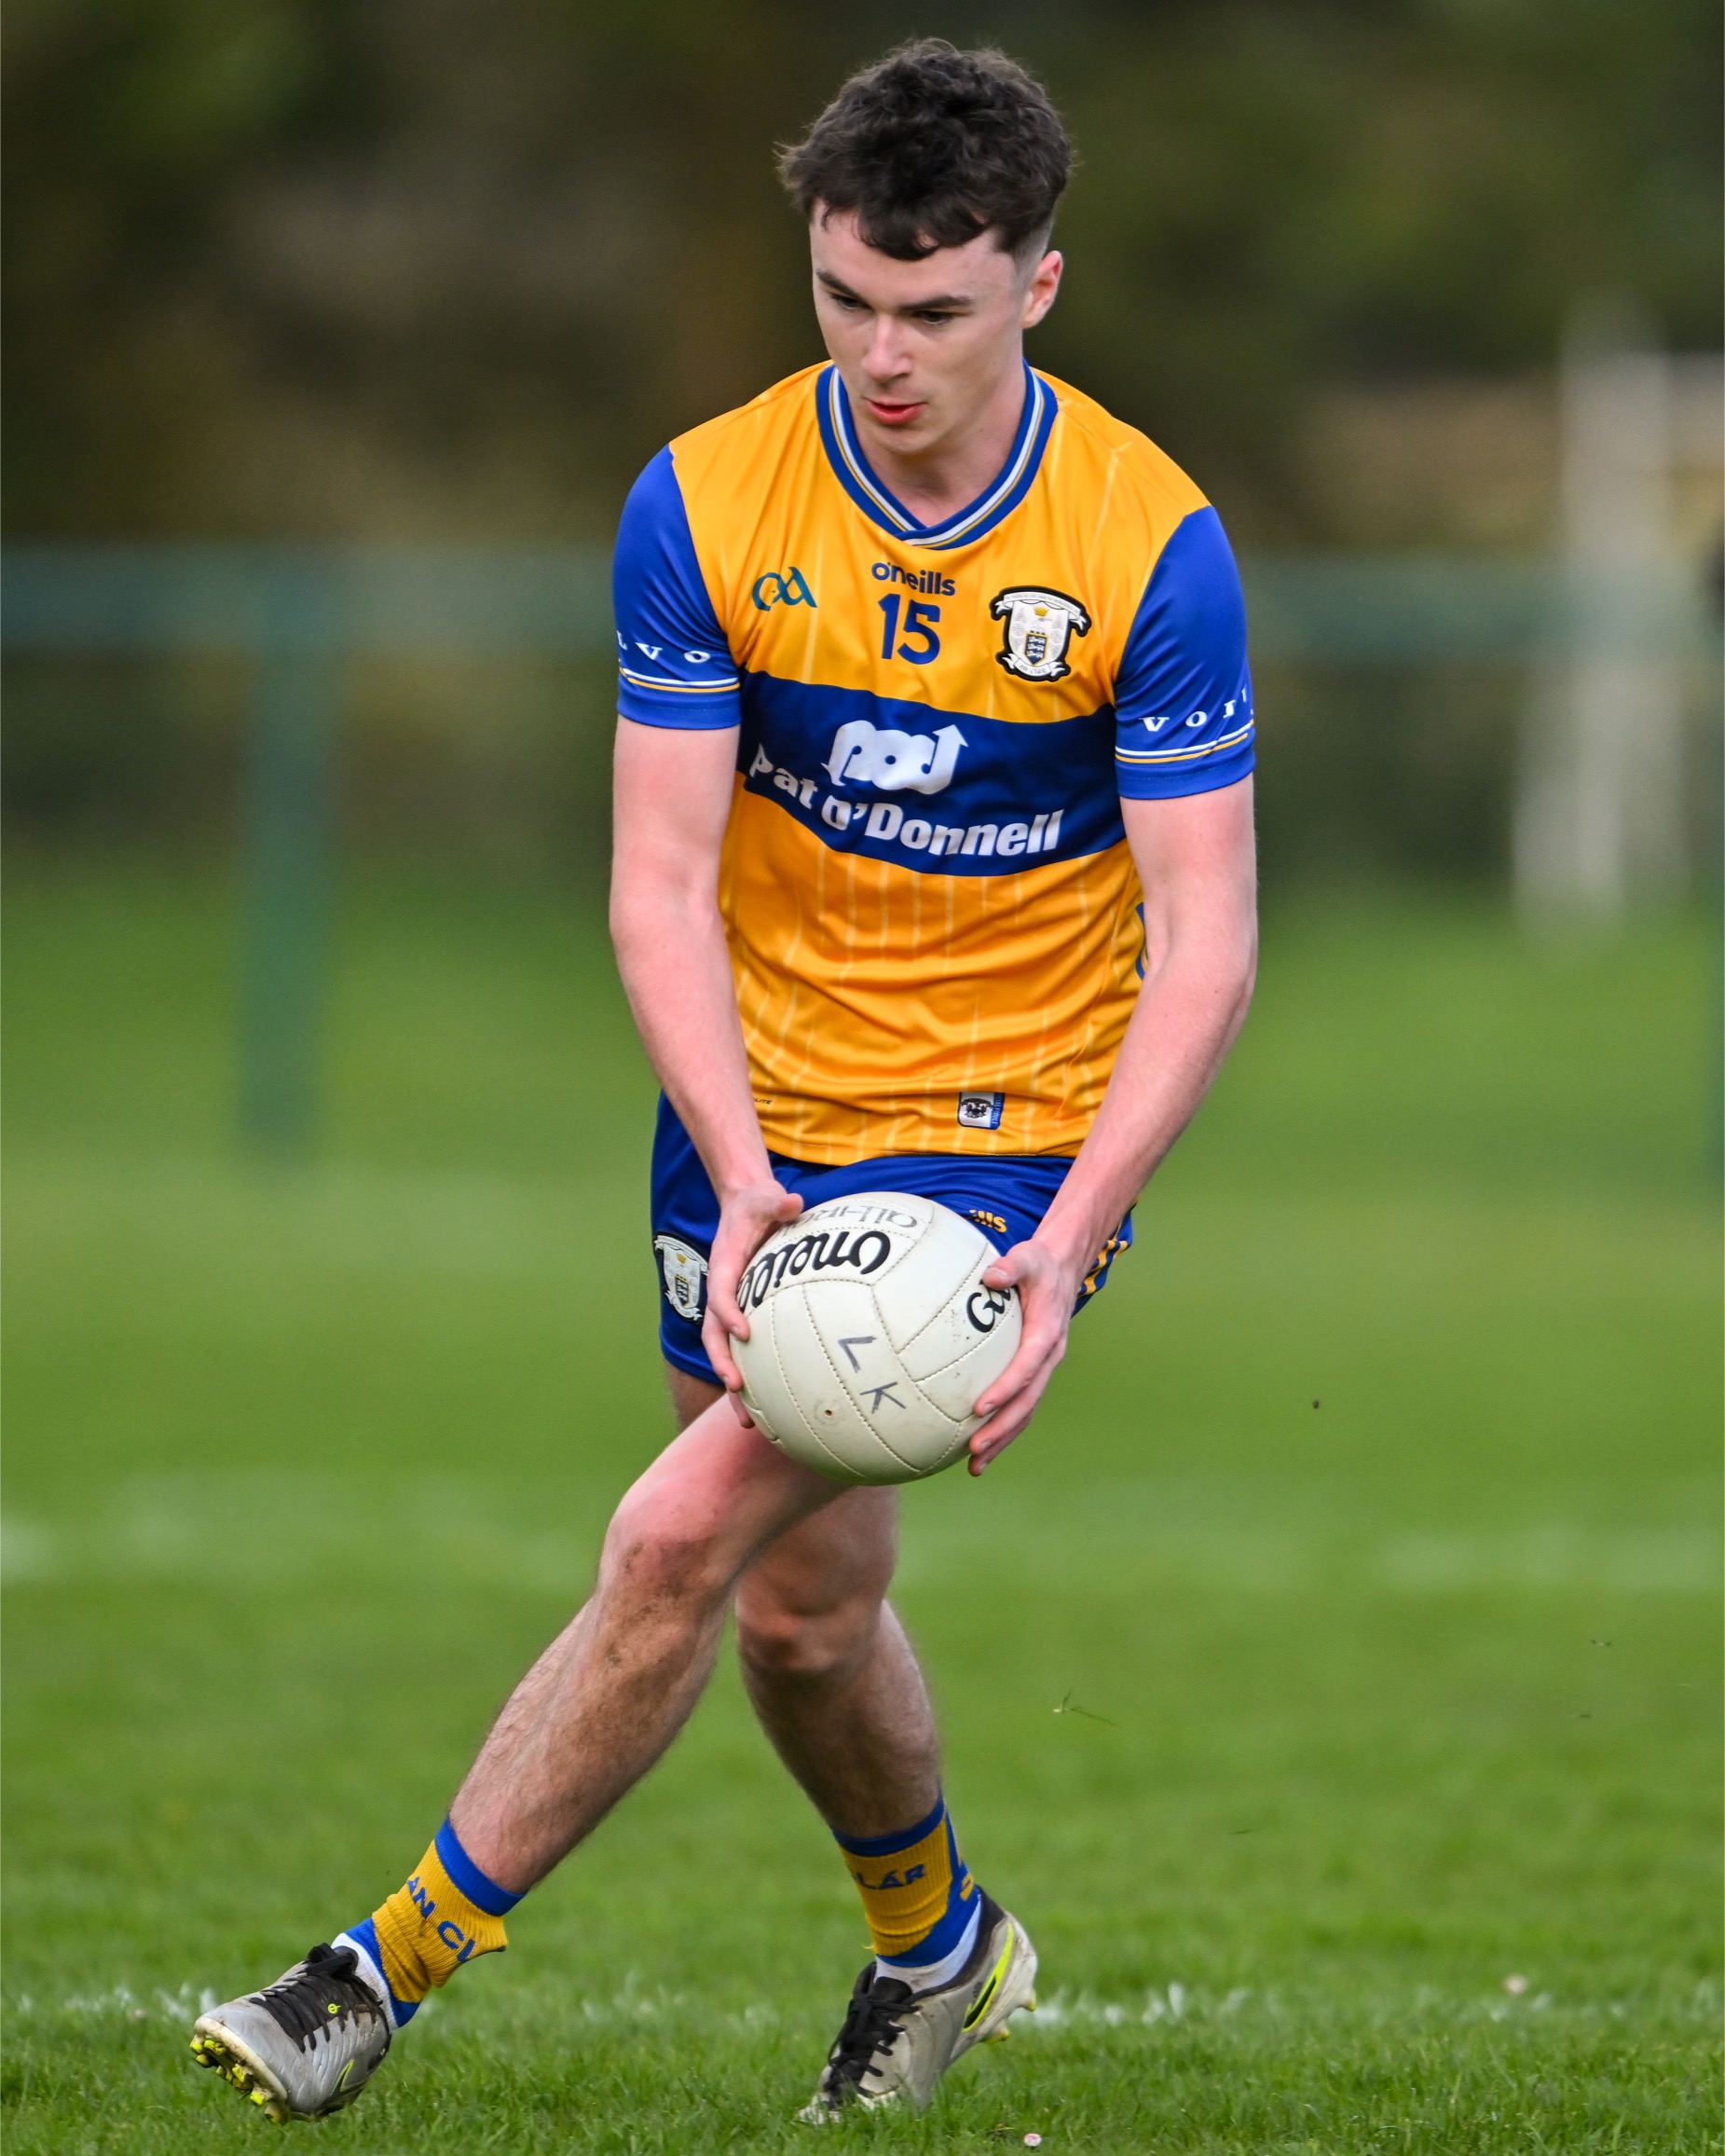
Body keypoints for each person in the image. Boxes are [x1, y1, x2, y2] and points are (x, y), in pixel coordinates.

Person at [189, 37, 1258, 2126]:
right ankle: (941, 1945)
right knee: (799, 1612)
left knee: (675, 1535)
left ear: (1038, 286)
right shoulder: (701, 501)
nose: (882, 352)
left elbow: (1204, 939)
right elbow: (658, 885)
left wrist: (1066, 1239)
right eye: (844, 296)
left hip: (1004, 1129)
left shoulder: (1151, 543)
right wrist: (745, 1166)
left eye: (933, 309)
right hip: (758, 1110)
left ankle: (370, 1973)